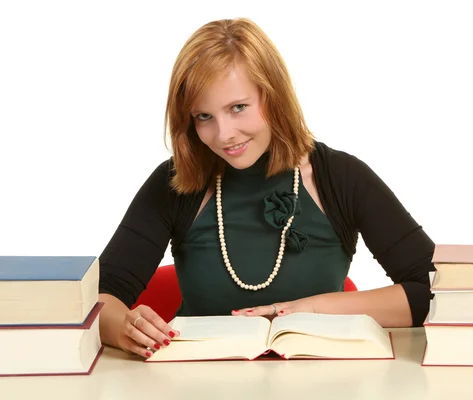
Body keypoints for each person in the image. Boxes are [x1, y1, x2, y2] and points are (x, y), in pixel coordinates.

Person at [98, 17, 436, 359]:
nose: (223, 134)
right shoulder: (173, 183)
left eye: (238, 108)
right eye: (204, 117)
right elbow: (99, 298)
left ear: (273, 95)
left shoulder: (341, 177)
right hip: (198, 384)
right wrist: (122, 327)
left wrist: (312, 310)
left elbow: (434, 293)